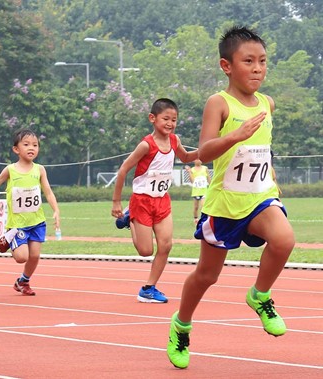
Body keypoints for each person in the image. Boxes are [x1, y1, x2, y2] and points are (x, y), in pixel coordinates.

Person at [166, 26, 295, 369]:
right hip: (225, 203)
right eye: (248, 61)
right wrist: (235, 135)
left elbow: (261, 151)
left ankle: (260, 295)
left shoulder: (268, 104)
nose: (257, 68)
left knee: (284, 240)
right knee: (207, 276)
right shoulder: (219, 103)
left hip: (260, 197)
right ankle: (181, 325)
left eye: (263, 61)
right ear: (227, 66)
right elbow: (206, 152)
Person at [112, 98, 198, 303]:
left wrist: (212, 149)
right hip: (141, 201)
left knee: (166, 245)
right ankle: (128, 215)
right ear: (153, 118)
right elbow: (124, 169)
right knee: (145, 251)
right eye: (166, 119)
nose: (170, 123)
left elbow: (186, 157)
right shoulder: (146, 145)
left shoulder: (175, 140)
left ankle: (148, 288)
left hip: (162, 201)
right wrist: (116, 201)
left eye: (174, 120)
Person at [0, 128, 60, 296]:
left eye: (35, 145)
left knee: (35, 256)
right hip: (18, 225)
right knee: (21, 257)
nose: (31, 148)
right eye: (26, 144)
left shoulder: (40, 170)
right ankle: (8, 238)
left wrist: (56, 210)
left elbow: (48, 191)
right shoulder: (10, 170)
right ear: (16, 149)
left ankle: (23, 281)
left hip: (37, 221)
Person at [184, 159, 211, 225]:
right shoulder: (192, 170)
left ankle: (204, 220)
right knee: (196, 207)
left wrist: (211, 185)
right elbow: (192, 181)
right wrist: (189, 172)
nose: (199, 161)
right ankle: (195, 219)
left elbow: (208, 178)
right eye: (197, 159)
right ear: (194, 161)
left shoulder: (205, 168)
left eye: (200, 159)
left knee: (203, 206)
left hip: (204, 191)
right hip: (196, 191)